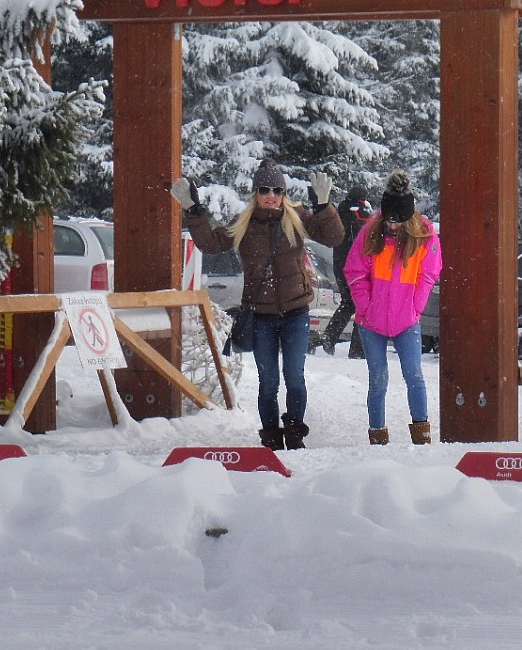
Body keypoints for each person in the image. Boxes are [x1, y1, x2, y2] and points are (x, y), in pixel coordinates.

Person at [171, 158, 344, 450]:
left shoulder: (296, 218)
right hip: (261, 317)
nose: (271, 196)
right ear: (255, 193)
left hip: (295, 314)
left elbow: (335, 237)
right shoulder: (244, 224)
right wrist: (193, 210)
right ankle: (272, 439)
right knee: (268, 382)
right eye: (264, 189)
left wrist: (324, 206)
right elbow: (211, 244)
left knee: (295, 377)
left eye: (277, 190)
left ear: (284, 193)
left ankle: (294, 434)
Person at [344, 169, 442, 445]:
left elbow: (429, 274)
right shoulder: (370, 234)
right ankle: (377, 436)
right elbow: (354, 273)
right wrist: (366, 307)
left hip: (406, 321)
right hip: (371, 322)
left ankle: (421, 434)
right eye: (389, 219)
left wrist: (415, 309)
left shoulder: (424, 237)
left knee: (414, 375)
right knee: (378, 379)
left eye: (399, 221)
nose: (393, 226)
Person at [320, 187, 373, 357]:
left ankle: (330, 336)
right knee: (361, 305)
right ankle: (357, 349)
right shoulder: (359, 213)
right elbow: (365, 238)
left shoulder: (340, 212)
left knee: (349, 303)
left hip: (340, 265)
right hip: (355, 267)